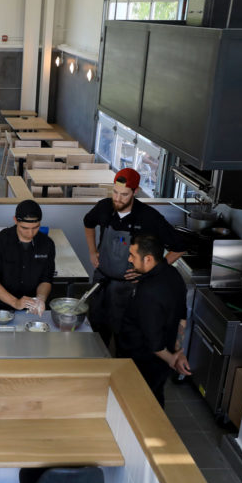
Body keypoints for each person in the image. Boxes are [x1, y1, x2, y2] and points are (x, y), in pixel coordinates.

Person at [82, 168, 186, 353]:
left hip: (128, 288)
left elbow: (179, 246)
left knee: (125, 336)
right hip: (101, 280)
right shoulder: (104, 207)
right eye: (115, 192)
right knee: (95, 328)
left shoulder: (149, 217)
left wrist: (151, 273)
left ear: (135, 192)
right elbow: (88, 223)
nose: (117, 198)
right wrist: (91, 251)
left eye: (124, 194)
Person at [117, 234, 191, 406]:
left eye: (133, 256)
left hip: (141, 360)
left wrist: (171, 359)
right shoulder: (173, 274)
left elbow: (154, 342)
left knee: (138, 403)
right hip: (164, 356)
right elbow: (182, 317)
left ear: (148, 259)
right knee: (156, 396)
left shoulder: (149, 292)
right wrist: (178, 351)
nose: (129, 259)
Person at [0, 200, 56, 313]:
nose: (30, 233)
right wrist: (15, 302)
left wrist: (40, 299)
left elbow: (46, 279)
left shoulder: (47, 244)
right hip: (2, 307)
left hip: (33, 308)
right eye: (25, 228)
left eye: (35, 228)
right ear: (15, 220)